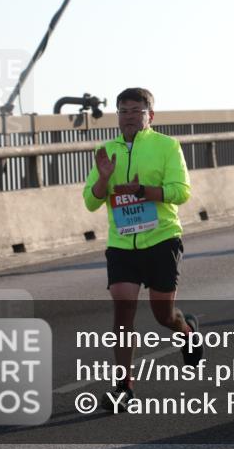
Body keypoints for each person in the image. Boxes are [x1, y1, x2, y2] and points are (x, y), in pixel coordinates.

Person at [82, 87, 198, 411]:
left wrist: (144, 191)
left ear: (150, 115)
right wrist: (104, 180)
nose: (129, 116)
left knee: (164, 315)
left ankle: (186, 330)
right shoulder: (105, 150)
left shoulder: (166, 146)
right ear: (116, 115)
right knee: (123, 307)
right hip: (122, 243)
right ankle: (124, 387)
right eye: (123, 110)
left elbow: (182, 192)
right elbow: (91, 200)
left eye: (136, 110)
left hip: (161, 238)